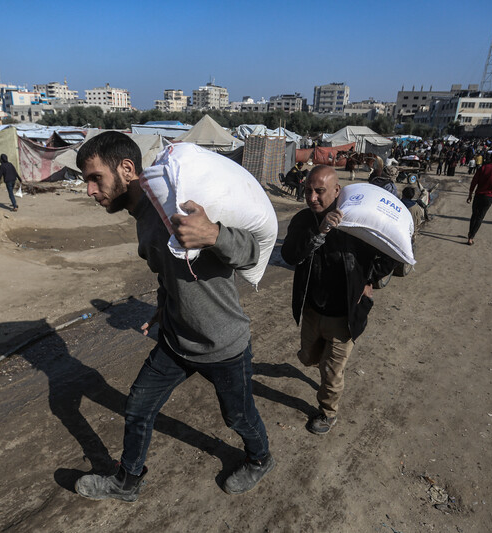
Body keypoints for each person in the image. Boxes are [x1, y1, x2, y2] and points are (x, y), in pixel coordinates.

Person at [73, 132, 273, 502]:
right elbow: (167, 273)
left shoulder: (178, 202)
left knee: (239, 418)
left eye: (94, 177)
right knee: (137, 408)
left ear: (127, 169)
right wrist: (164, 306)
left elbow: (251, 252)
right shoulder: (141, 218)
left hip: (223, 345)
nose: (89, 190)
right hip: (176, 340)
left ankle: (260, 459)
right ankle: (127, 481)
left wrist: (213, 234)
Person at [281, 166, 396, 435]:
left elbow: (390, 255)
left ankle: (327, 412)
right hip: (312, 308)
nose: (311, 197)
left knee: (331, 373)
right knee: (309, 358)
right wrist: (318, 233)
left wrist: (369, 280)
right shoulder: (302, 221)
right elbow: (289, 255)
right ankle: (323, 366)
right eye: (308, 190)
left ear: (336, 191)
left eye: (319, 191)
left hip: (344, 314)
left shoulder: (358, 222)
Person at [466, 152, 492, 245]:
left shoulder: (482, 168)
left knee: (474, 215)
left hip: (478, 195)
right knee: (480, 217)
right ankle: (471, 237)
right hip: (488, 197)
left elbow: (474, 182)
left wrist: (470, 194)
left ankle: (470, 234)